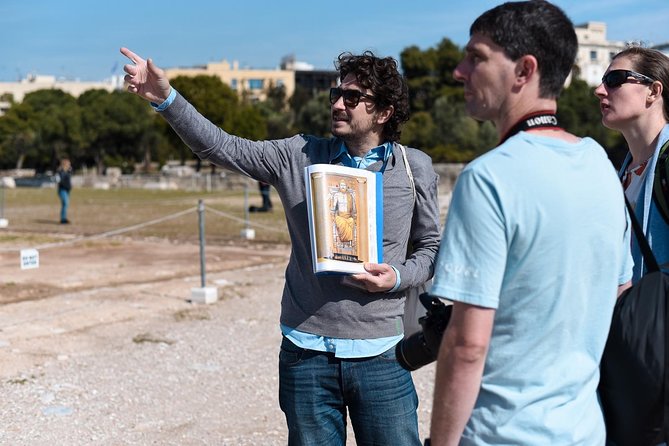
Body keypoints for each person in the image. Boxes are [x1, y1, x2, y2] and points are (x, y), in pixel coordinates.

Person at [121, 46, 440, 445]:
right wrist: (166, 100)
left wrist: (396, 277)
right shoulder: (297, 155)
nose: (338, 104)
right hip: (306, 354)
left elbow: (429, 248)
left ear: (384, 112)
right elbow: (221, 146)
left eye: (353, 98)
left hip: (382, 356)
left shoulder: (414, 168)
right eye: (335, 95)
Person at [427, 1, 633, 445]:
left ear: (524, 70)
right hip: (583, 430)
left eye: (477, 57)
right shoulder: (598, 162)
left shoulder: (489, 177)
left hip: (502, 434)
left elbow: (467, 346)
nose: (460, 71)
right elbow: (617, 291)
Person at [595, 46, 669, 281]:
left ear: (653, 91)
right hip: (634, 314)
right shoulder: (622, 175)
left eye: (614, 79)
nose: (599, 90)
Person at [331, 179, 357, 249]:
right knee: (341, 222)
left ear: (346, 186)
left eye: (344, 185)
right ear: (339, 186)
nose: (343, 187)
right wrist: (333, 215)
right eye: (341, 185)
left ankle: (351, 243)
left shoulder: (350, 196)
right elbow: (333, 207)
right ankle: (341, 241)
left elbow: (354, 207)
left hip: (348, 216)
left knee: (351, 221)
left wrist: (354, 215)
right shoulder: (336, 195)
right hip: (340, 216)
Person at [56, 158, 72, 224]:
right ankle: (63, 219)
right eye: (68, 164)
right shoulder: (60, 172)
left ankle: (64, 218)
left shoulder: (68, 172)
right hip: (62, 190)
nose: (70, 165)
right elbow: (59, 181)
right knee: (65, 203)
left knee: (65, 205)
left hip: (67, 190)